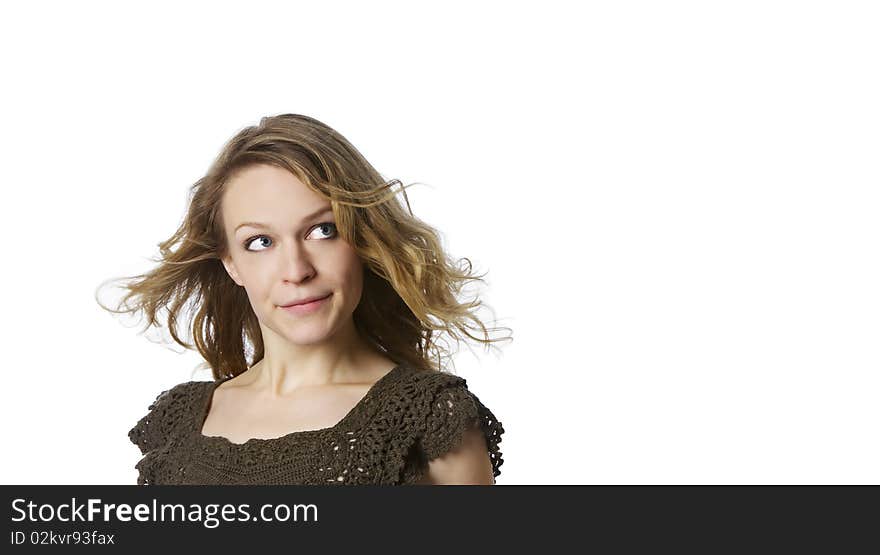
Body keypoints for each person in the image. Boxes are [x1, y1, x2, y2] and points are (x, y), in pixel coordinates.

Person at [96, 114, 511, 485]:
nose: (296, 270)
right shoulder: (179, 424)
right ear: (231, 264)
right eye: (260, 242)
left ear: (362, 239)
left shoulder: (427, 415)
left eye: (322, 231)